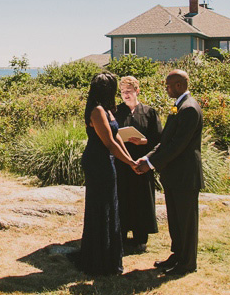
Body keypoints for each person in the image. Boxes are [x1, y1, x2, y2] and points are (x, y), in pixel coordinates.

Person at [134, 69, 203, 276]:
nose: (166, 88)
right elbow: (166, 141)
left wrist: (150, 164)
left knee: (186, 221)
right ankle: (177, 254)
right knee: (175, 219)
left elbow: (177, 146)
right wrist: (146, 158)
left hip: (185, 175)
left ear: (180, 86)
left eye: (169, 85)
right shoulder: (179, 106)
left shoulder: (189, 108)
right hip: (174, 175)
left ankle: (188, 262)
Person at [74, 71, 137, 276]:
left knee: (111, 205)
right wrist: (129, 162)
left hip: (106, 160)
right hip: (97, 161)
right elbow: (108, 143)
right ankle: (98, 259)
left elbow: (117, 137)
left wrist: (130, 160)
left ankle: (108, 255)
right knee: (101, 207)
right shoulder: (97, 111)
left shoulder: (108, 110)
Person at [113, 76, 162, 255]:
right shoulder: (117, 111)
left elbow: (159, 140)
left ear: (137, 91)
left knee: (141, 199)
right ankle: (122, 236)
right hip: (123, 162)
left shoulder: (149, 112)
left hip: (142, 162)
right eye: (123, 92)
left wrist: (143, 142)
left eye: (129, 91)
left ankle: (141, 238)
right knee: (123, 197)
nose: (125, 95)